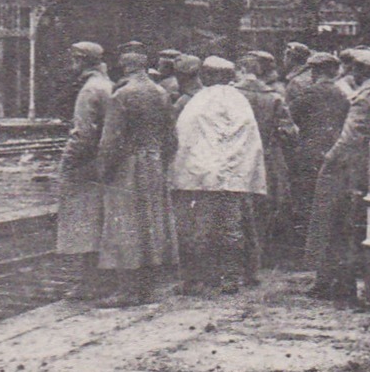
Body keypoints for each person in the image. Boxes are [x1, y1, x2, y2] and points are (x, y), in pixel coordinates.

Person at [307, 49, 370, 302]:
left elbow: (350, 137)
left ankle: (339, 284)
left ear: (361, 72)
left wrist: (329, 160)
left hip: (354, 168)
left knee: (338, 224)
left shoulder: (364, 99)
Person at [170, 56, 267, 294]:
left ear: (208, 75)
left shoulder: (199, 102)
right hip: (233, 178)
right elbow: (250, 141)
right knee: (231, 228)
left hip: (201, 178)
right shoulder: (239, 102)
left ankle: (200, 279)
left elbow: (184, 136)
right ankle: (230, 277)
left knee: (200, 228)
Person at [96, 50, 178, 301]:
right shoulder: (161, 93)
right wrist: (161, 162)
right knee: (151, 223)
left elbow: (110, 140)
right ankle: (149, 285)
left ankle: (127, 289)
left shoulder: (122, 95)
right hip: (154, 162)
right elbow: (172, 138)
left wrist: (104, 171)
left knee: (124, 224)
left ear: (124, 68)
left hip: (127, 165)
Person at [56, 42, 114, 298]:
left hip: (87, 165)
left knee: (84, 224)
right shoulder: (107, 85)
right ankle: (100, 278)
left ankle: (89, 282)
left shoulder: (89, 90)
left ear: (80, 61)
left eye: (73, 59)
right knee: (99, 221)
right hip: (103, 163)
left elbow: (83, 134)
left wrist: (67, 162)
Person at [236, 52, 300, 268]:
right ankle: (259, 255)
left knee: (238, 205)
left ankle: (240, 257)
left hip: (238, 156)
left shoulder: (233, 94)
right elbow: (290, 133)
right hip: (268, 158)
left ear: (242, 70)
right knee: (264, 206)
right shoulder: (273, 96)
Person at [287, 52, 350, 253]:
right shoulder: (342, 94)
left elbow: (291, 117)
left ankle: (306, 250)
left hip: (310, 152)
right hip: (334, 151)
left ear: (316, 71)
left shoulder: (309, 94)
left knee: (306, 199)